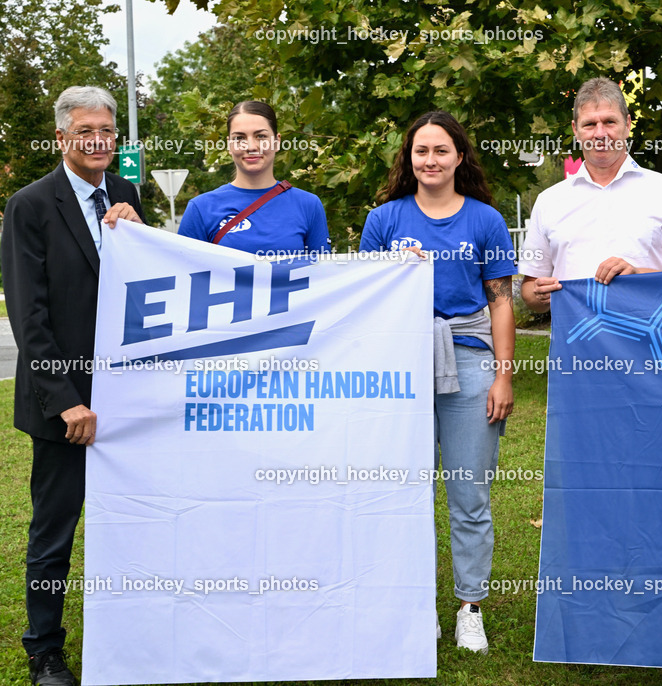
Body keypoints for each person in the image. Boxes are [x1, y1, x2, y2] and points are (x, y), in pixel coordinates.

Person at [1, 85, 146, 686]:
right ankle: (44, 650)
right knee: (54, 529)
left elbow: (145, 283)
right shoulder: (30, 205)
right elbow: (28, 317)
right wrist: (66, 401)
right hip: (66, 404)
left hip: (129, 398)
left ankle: (138, 630)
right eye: (85, 130)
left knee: (137, 518)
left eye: (107, 130)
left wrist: (141, 231)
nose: (97, 140)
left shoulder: (127, 193)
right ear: (62, 137)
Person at [358, 110, 516, 655]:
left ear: (459, 157)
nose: (430, 160)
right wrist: (394, 269)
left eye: (441, 150)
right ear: (409, 158)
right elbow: (363, 297)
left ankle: (470, 607)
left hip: (470, 361)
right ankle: (415, 604)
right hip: (401, 366)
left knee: (469, 494)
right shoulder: (384, 220)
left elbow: (501, 303)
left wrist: (503, 375)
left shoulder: (485, 220)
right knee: (407, 493)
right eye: (421, 151)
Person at [519, 76, 662, 310]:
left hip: (646, 332)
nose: (600, 133)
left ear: (627, 124)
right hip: (575, 333)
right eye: (589, 124)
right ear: (575, 130)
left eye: (609, 122)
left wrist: (638, 275)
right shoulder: (549, 201)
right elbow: (529, 288)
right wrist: (538, 295)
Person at [178, 101, 330, 256]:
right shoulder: (200, 209)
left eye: (261, 136)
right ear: (229, 145)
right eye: (239, 138)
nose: (251, 147)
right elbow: (184, 268)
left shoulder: (308, 205)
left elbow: (322, 270)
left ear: (277, 142)